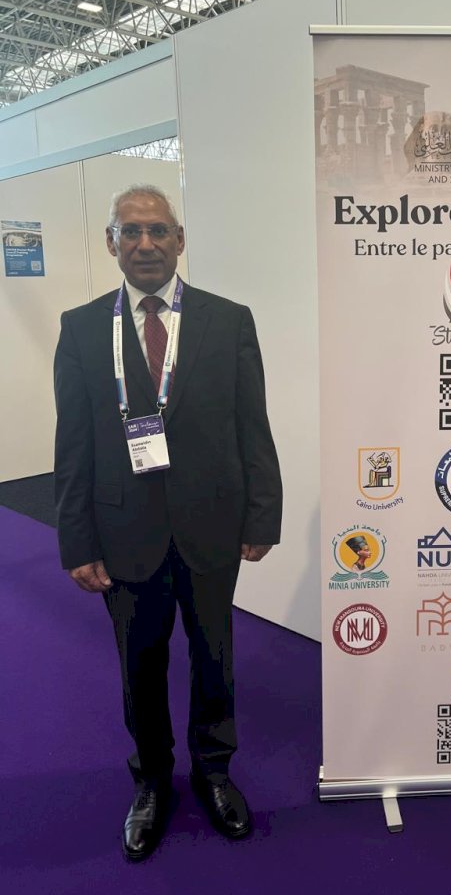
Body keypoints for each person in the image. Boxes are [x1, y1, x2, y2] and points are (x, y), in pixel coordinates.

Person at [53, 184, 282, 862]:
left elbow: (252, 425)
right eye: (131, 232)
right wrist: (76, 539)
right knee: (140, 666)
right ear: (111, 243)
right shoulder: (81, 327)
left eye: (158, 231)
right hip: (123, 532)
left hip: (212, 527)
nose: (145, 244)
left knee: (215, 657)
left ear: (180, 240)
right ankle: (151, 780)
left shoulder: (228, 321)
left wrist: (263, 515)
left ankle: (214, 771)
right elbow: (73, 444)